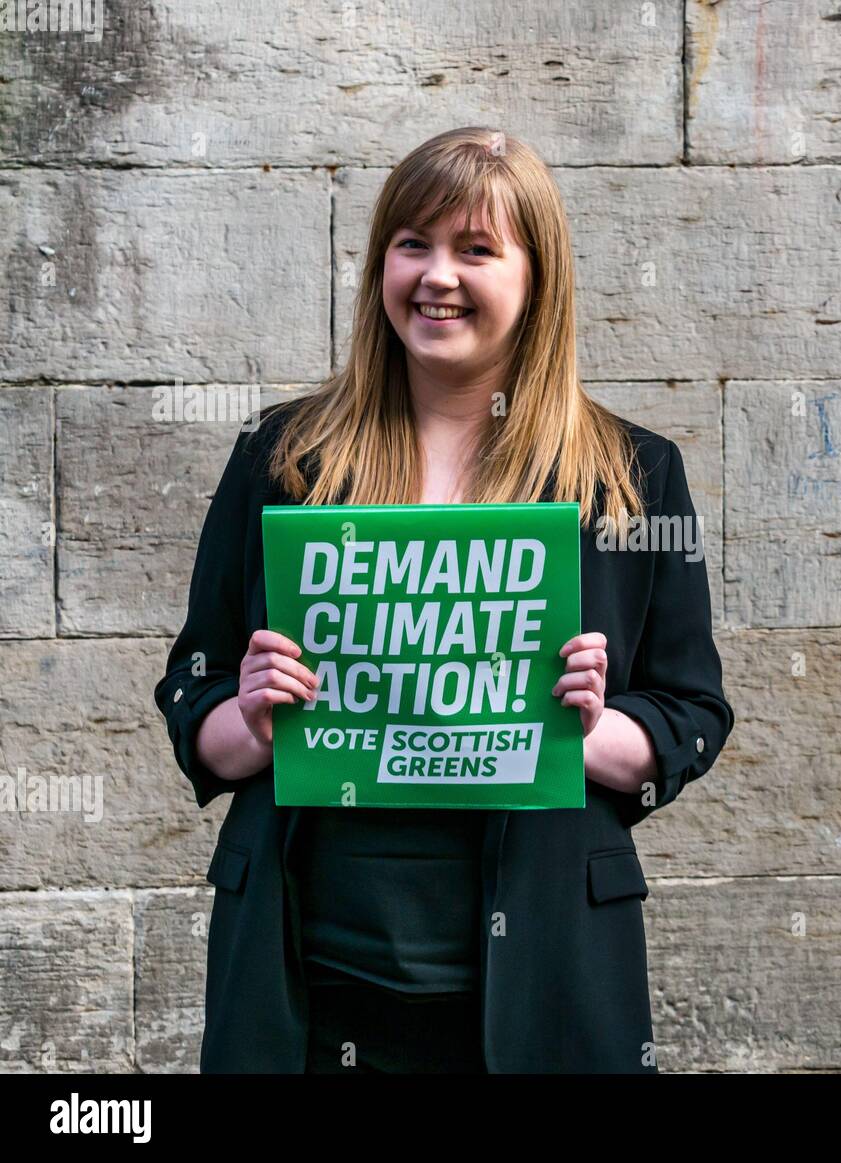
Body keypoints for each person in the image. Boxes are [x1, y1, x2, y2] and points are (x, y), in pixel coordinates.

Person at [152, 127, 734, 1073]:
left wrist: (585, 729)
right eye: (412, 242)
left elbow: (692, 711)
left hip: (544, 978)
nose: (437, 276)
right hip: (308, 975)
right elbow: (195, 688)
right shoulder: (283, 457)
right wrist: (250, 717)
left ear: (537, 277)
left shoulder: (631, 476)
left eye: (476, 249)